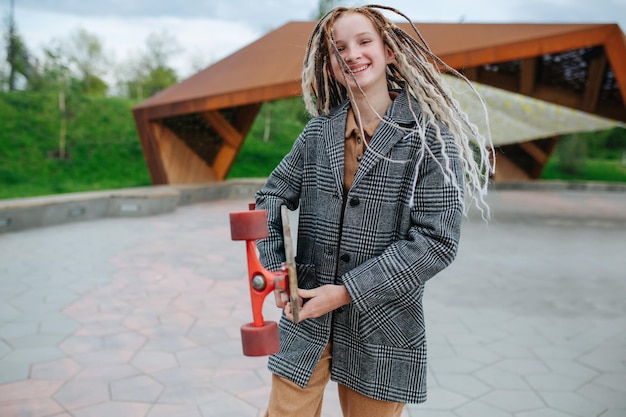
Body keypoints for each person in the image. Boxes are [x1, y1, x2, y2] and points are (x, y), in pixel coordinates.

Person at [255, 4, 494, 417]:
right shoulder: (316, 134)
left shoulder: (431, 139)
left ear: (389, 52)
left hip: (384, 324)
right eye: (338, 48)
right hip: (306, 313)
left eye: (364, 42)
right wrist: (277, 268)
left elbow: (437, 242)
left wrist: (348, 291)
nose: (352, 54)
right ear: (329, 65)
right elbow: (269, 198)